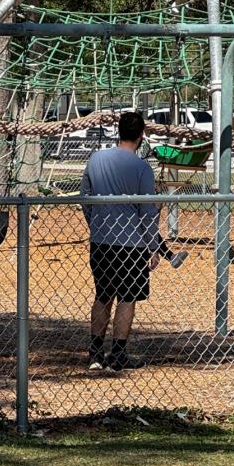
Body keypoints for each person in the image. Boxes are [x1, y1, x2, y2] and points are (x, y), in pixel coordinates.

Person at [79, 111, 164, 372]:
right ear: (141, 135)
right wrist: (153, 245)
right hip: (132, 243)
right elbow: (147, 212)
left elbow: (85, 196)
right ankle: (118, 354)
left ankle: (95, 353)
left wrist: (96, 222)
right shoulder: (141, 168)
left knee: (103, 294)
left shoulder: (96, 158)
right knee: (127, 298)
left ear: (118, 131)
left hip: (102, 240)